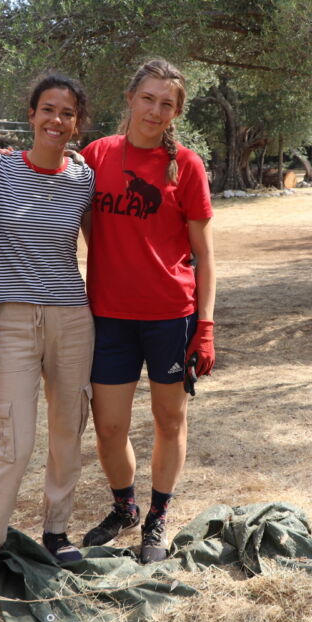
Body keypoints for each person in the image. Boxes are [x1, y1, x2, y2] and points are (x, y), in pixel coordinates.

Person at [0, 73, 96, 605]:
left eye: (67, 113)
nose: (55, 120)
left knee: (68, 431)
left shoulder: (83, 179)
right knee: (13, 441)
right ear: (31, 114)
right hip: (14, 319)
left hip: (72, 317)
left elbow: (103, 244)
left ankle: (57, 531)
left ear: (76, 124)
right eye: (47, 109)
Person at [80, 59, 216, 563]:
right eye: (148, 99)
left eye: (166, 103)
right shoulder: (97, 155)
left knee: (169, 420)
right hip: (109, 316)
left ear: (176, 111)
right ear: (130, 99)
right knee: (109, 426)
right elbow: (73, 210)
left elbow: (205, 255)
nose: (155, 111)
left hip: (170, 316)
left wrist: (205, 327)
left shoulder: (188, 166)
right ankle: (125, 507)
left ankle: (157, 516)